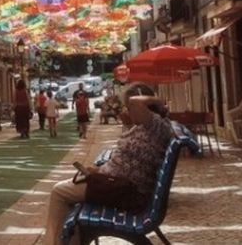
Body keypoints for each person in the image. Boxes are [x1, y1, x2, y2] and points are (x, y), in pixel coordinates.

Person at [44, 83, 173, 245]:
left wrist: (158, 100)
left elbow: (135, 101)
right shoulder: (144, 127)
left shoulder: (155, 126)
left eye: (129, 107)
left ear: (145, 107)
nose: (128, 110)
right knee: (71, 203)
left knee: (59, 192)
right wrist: (97, 171)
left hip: (126, 192)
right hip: (118, 186)